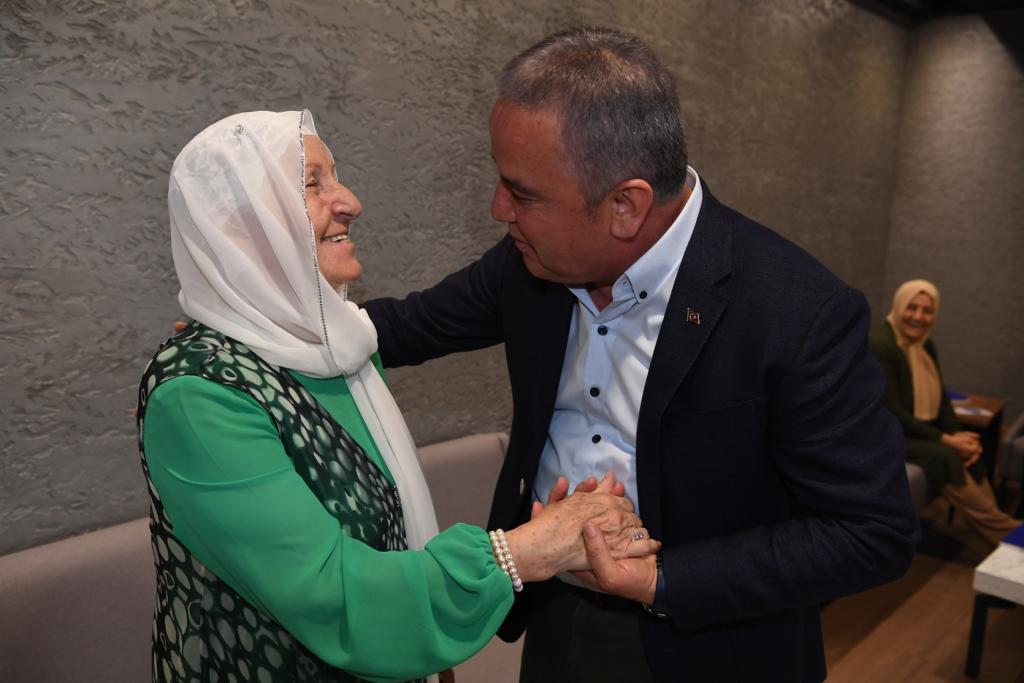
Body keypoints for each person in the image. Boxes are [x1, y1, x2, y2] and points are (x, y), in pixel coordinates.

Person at [363, 27, 920, 682]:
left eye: (524, 194)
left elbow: (871, 531)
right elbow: (398, 329)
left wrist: (660, 578)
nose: (498, 209)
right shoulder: (528, 262)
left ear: (625, 206)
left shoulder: (797, 312)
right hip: (556, 613)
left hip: (712, 646)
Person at [137, 110, 660, 683]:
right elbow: (337, 599)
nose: (350, 201)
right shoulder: (199, 395)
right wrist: (528, 549)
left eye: (335, 177)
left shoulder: (333, 351)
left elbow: (391, 537)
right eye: (312, 182)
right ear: (240, 230)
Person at [870, 279, 1020, 548]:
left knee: (969, 453)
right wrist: (948, 440)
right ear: (899, 305)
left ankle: (1002, 526)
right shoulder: (881, 345)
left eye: (927, 311)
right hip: (886, 435)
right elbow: (892, 413)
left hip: (917, 432)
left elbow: (941, 402)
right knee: (944, 456)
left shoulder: (925, 345)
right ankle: (1008, 533)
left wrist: (958, 436)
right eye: (912, 307)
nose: (918, 317)